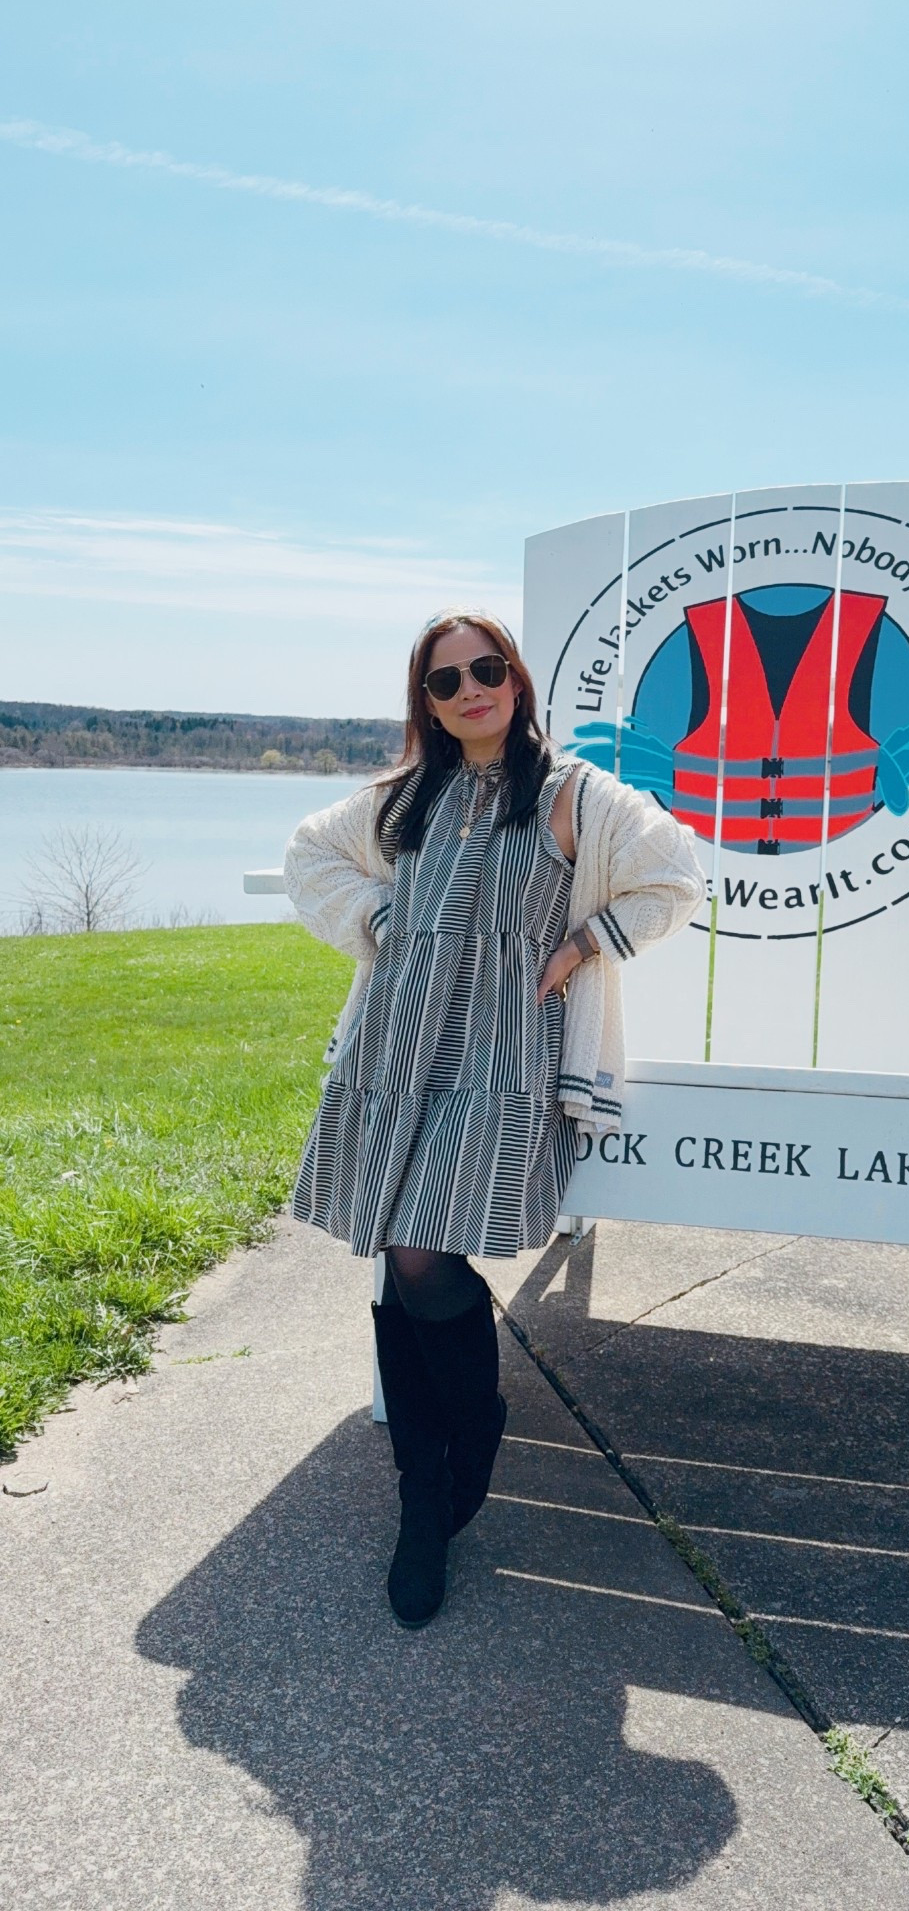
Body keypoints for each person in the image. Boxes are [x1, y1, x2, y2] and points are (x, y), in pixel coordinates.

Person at [284, 611, 705, 1628]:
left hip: (502, 1057)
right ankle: (422, 1498)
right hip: (398, 1047)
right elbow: (310, 854)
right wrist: (379, 919)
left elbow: (675, 874)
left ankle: (465, 1443)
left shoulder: (572, 795)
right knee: (396, 1247)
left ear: (516, 678)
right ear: (424, 701)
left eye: (486, 669)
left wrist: (583, 942)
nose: (469, 689)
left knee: (425, 1253)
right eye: (444, 680)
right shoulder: (404, 798)